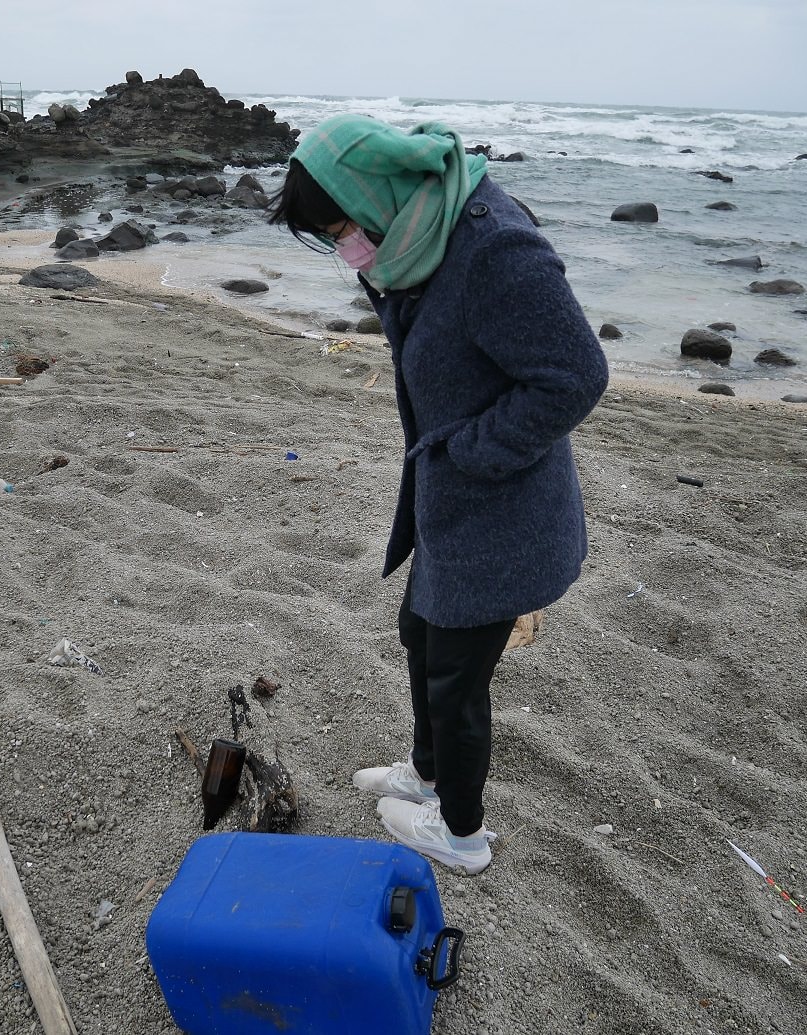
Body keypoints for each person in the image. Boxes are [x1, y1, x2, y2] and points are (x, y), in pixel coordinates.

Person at [268, 115, 608, 875]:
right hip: (446, 496)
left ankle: (459, 834)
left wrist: (472, 452)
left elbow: (577, 375)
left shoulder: (493, 248)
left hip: (497, 507)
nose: (346, 247)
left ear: (377, 194)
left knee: (458, 678)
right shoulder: (416, 234)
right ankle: (424, 772)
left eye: (343, 227)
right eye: (332, 236)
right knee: (421, 635)